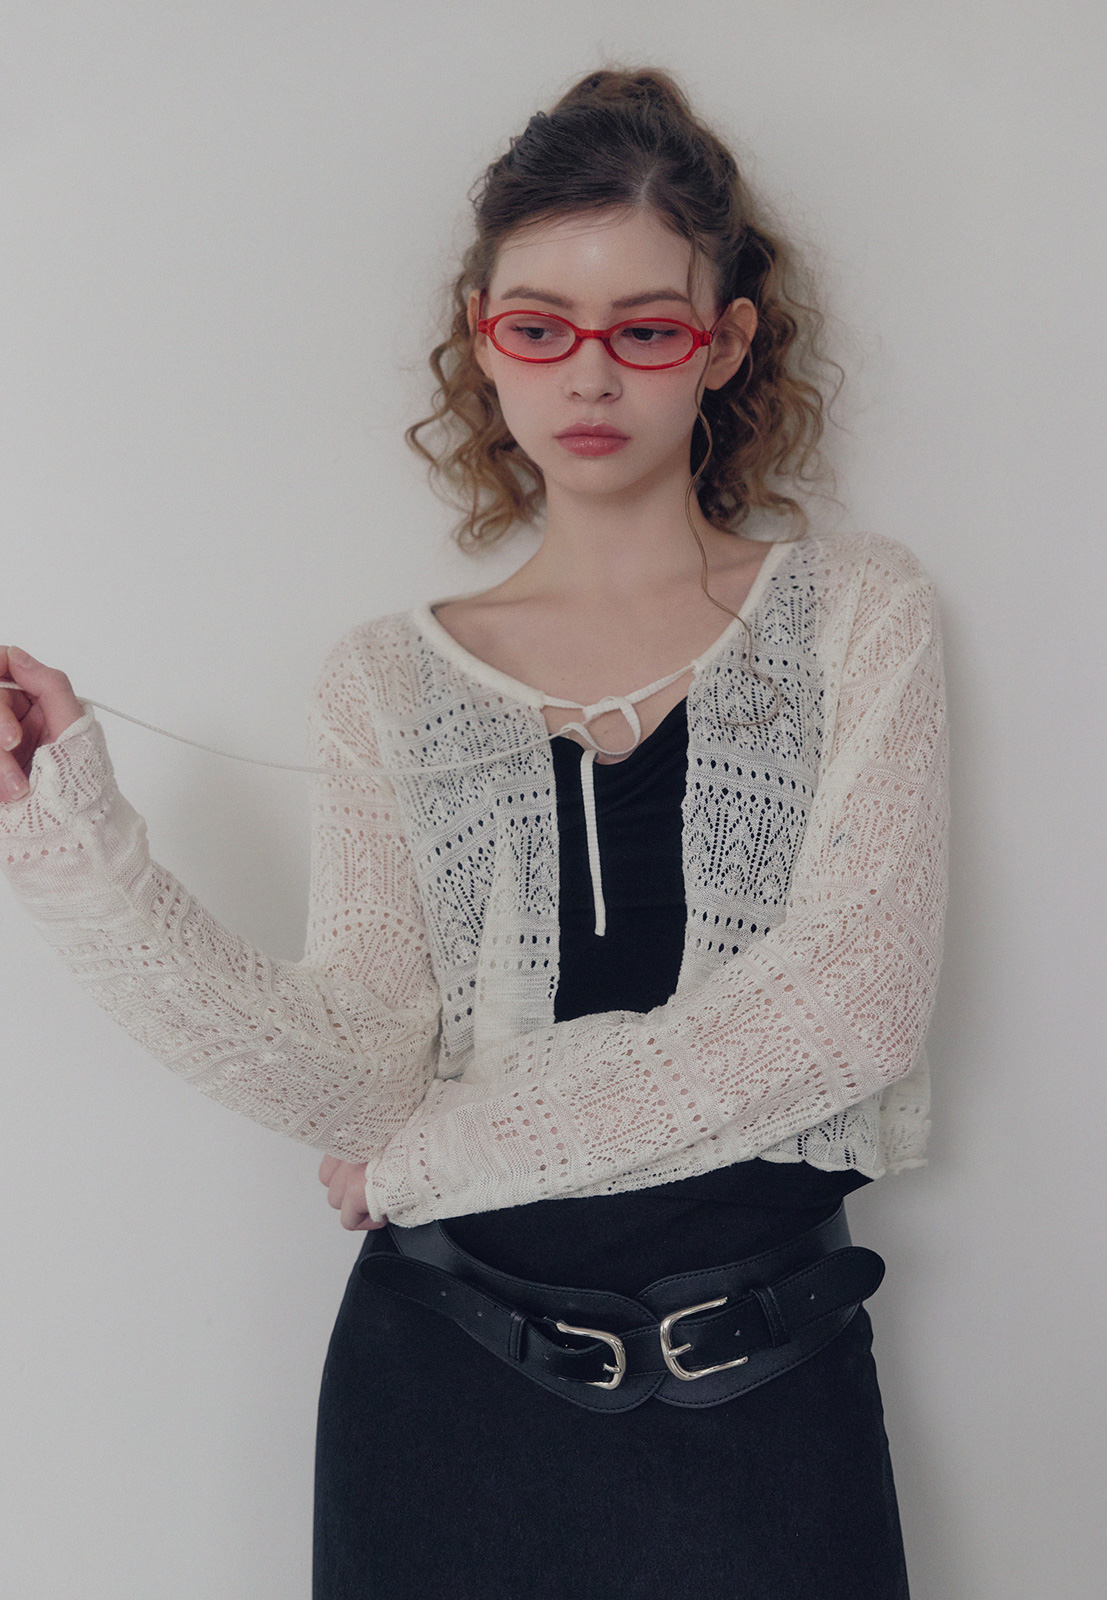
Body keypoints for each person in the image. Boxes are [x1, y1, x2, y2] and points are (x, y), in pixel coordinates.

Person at [0, 67, 947, 1600]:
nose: (592, 376)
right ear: (482, 338)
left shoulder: (855, 613)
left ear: (724, 344)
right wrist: (71, 847)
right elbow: (354, 1072)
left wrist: (440, 1149)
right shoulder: (386, 677)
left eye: (645, 329)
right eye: (541, 328)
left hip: (764, 1400)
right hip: (437, 1401)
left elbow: (852, 1015)